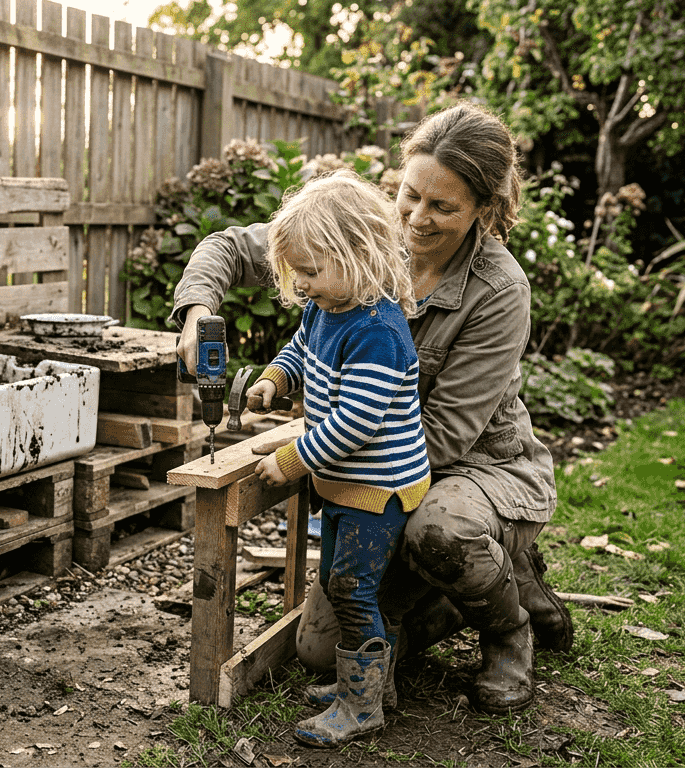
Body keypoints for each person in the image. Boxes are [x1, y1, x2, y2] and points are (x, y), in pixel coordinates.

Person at [171, 102, 573, 717]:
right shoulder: (358, 234)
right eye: (410, 195)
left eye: (442, 206)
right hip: (369, 452)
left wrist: (311, 452)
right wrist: (199, 312)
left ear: (484, 208)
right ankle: (467, 582)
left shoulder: (500, 290)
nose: (415, 218)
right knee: (318, 649)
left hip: (468, 466)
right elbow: (230, 248)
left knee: (438, 534)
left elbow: (442, 438)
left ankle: (507, 627)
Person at [250, 170, 431, 746]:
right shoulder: (325, 309)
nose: (301, 284)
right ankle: (373, 687)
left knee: (353, 589)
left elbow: (354, 424)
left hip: (378, 489)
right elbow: (301, 349)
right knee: (338, 580)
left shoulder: (378, 332)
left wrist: (291, 460)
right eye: (295, 272)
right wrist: (277, 378)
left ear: (358, 253)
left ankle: (361, 706)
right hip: (346, 486)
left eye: (310, 270)